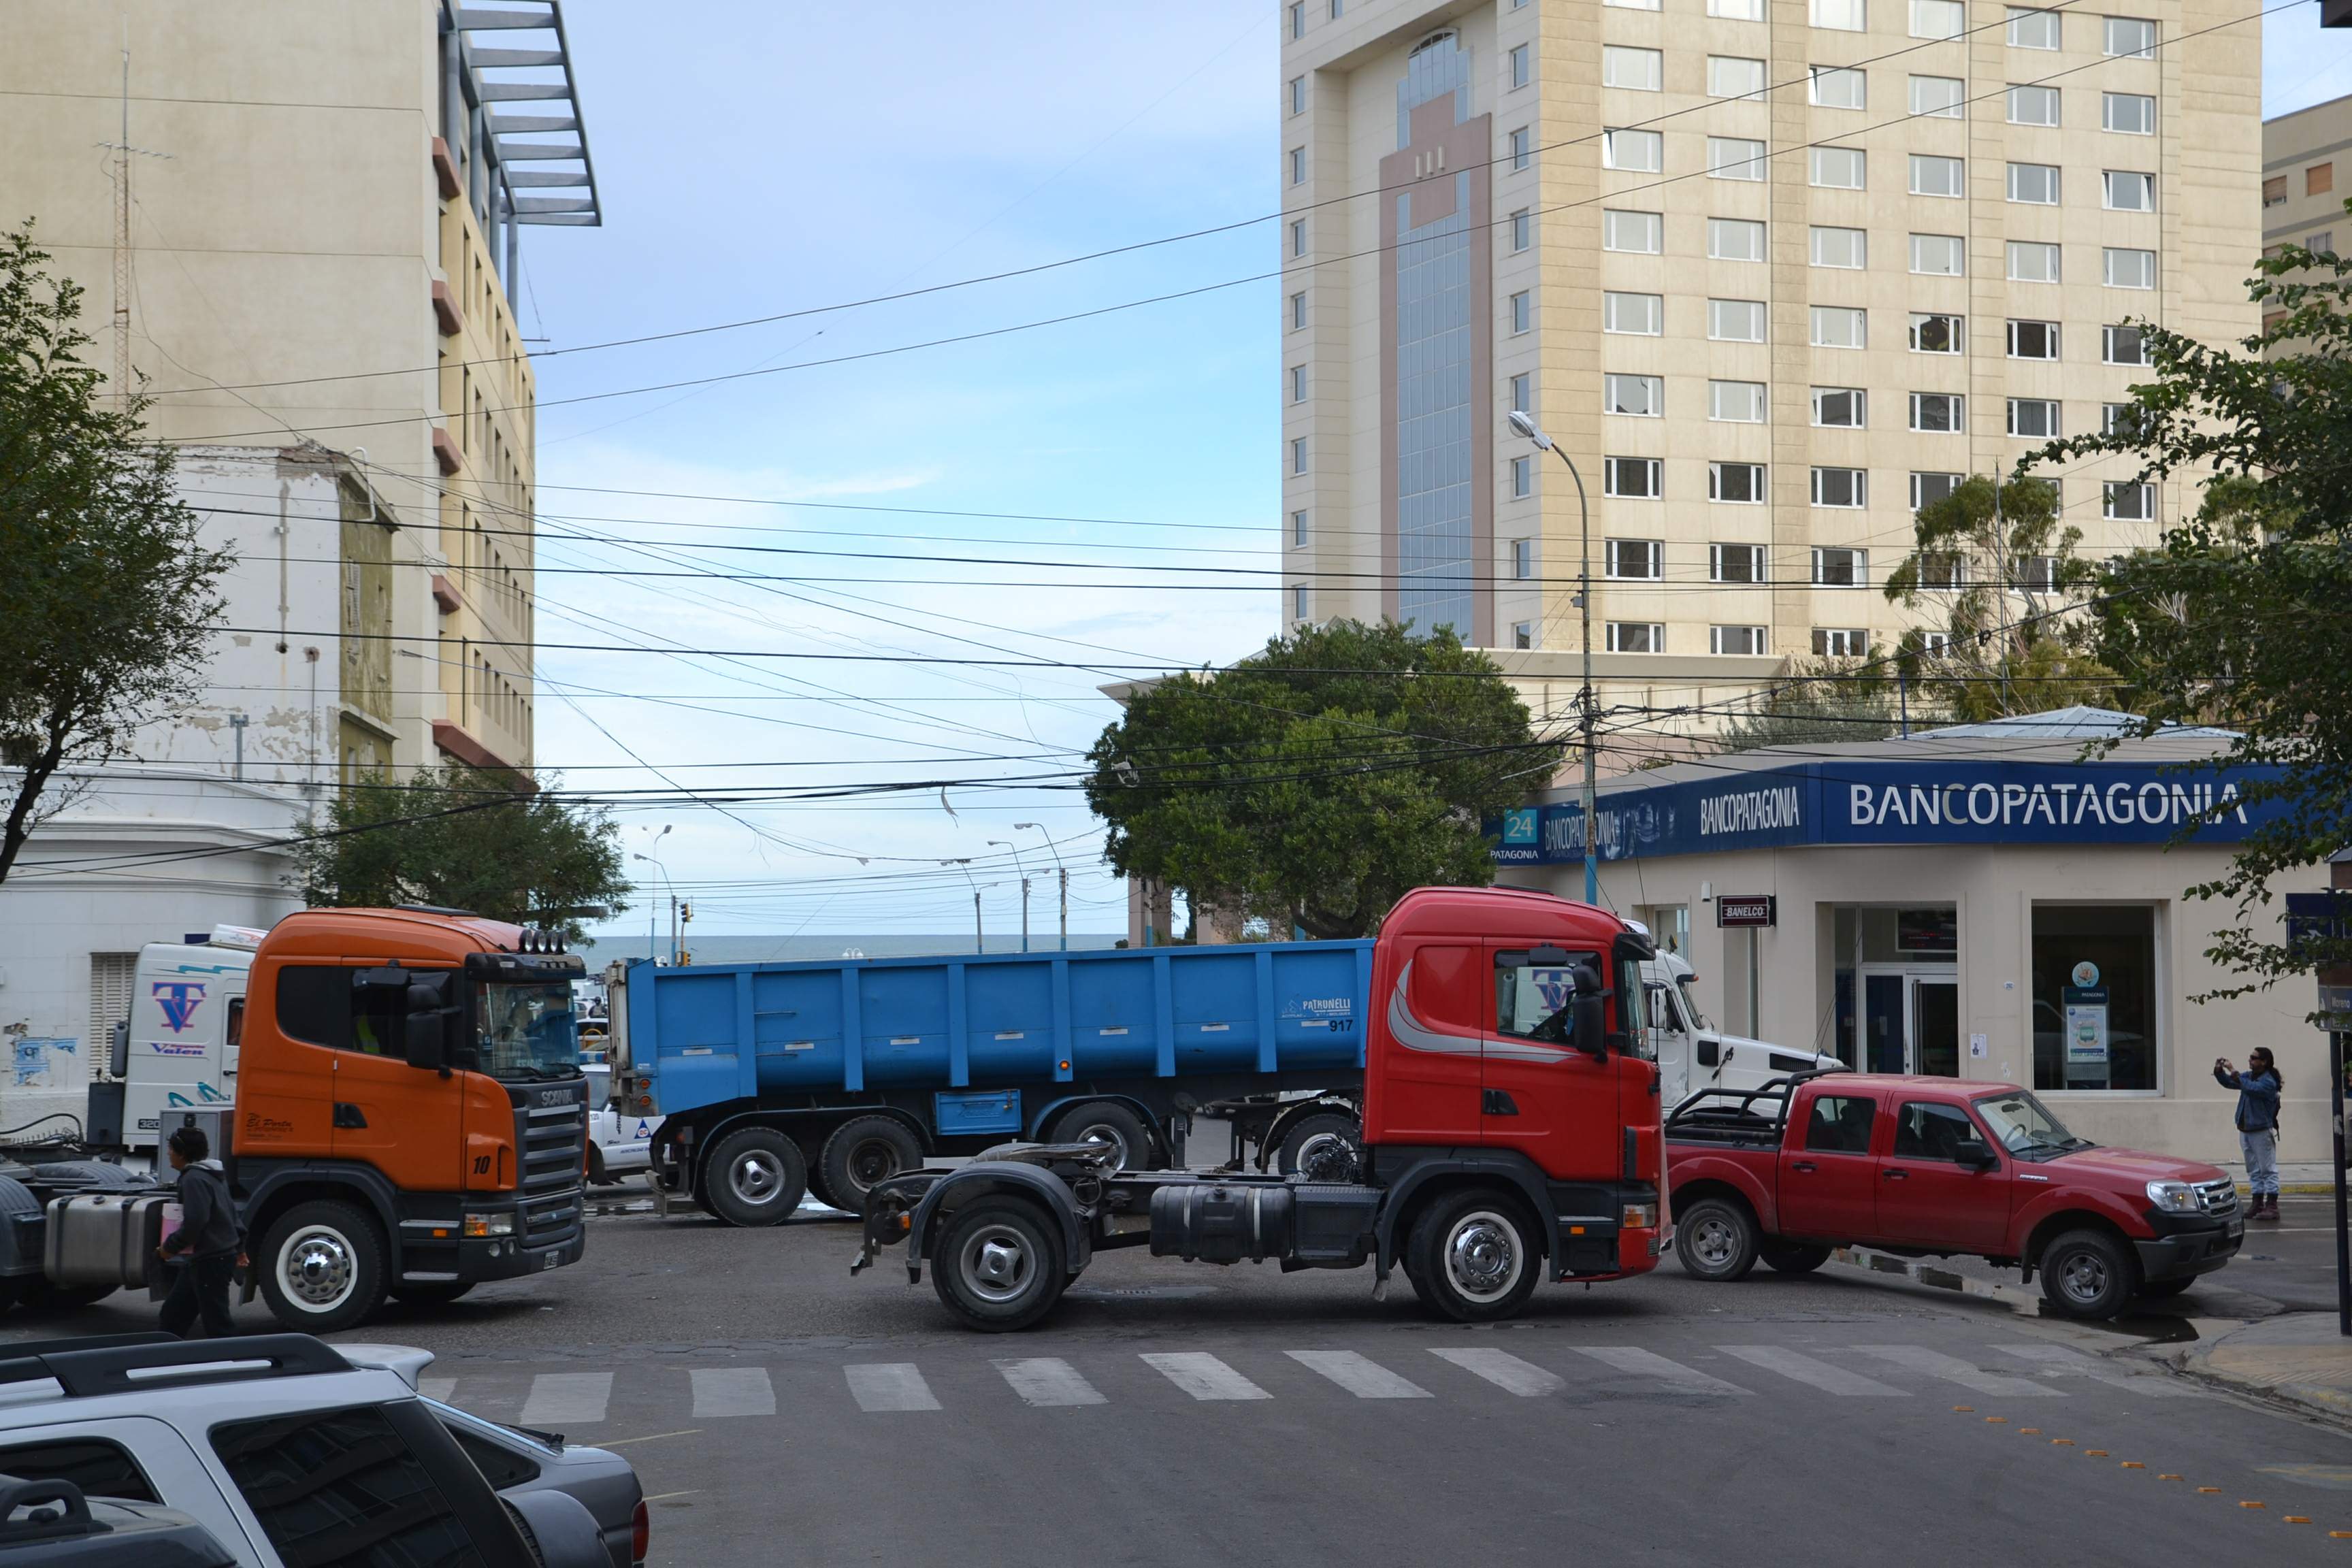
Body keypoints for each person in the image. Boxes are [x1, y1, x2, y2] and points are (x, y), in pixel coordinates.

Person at [155, 1126, 245, 1338]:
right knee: (173, 1316)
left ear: (182, 1153)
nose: (168, 1153)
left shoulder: (194, 1179)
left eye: (171, 1148)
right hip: (204, 1258)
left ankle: (236, 1357)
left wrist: (169, 1248)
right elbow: (231, 1213)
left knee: (218, 1324)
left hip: (210, 1259)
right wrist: (240, 1247)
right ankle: (163, 1355)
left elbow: (195, 1222)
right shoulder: (212, 1174)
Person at [2215, 1048, 2284, 1222]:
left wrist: (2233, 1070)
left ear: (2264, 1062)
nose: (2250, 1060)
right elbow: (2231, 1083)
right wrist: (2219, 1072)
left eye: (2254, 1058)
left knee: (2268, 1169)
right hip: (2245, 1129)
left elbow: (2251, 1088)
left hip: (2261, 1131)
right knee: (2253, 1169)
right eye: (2250, 1057)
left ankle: (2272, 1206)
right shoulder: (2249, 1076)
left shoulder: (2268, 1082)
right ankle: (2257, 1203)